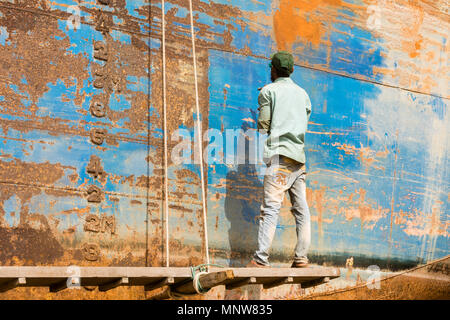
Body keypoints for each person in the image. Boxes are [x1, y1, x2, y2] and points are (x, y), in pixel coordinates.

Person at [248, 51, 312, 268]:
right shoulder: (303, 94)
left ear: (273, 70)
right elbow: (303, 120)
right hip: (298, 159)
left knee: (271, 208)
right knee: (301, 208)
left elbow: (263, 126)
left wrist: (264, 100)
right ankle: (301, 258)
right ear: (292, 70)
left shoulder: (268, 91)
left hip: (280, 159)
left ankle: (261, 259)